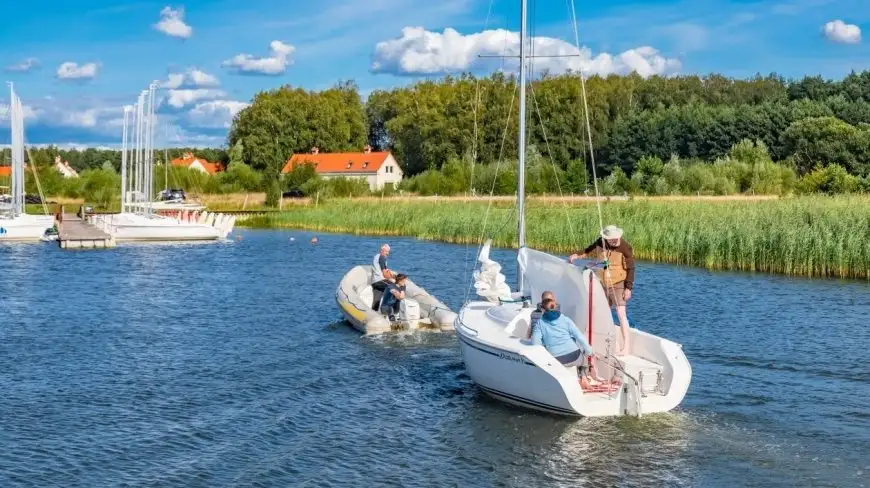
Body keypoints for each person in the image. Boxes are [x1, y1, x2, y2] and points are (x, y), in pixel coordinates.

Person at [568, 225, 634, 355]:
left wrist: (628, 288)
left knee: (621, 313)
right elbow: (588, 250)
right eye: (611, 239)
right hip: (603, 283)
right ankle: (612, 343)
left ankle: (626, 347)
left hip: (619, 282)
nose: (614, 241)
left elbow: (631, 268)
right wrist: (577, 255)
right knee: (603, 312)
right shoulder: (600, 242)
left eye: (615, 238)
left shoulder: (625, 247)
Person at [530, 297, 595, 387]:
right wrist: (590, 352)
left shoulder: (540, 323)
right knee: (584, 355)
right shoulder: (565, 319)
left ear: (543, 309)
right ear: (555, 307)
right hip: (575, 357)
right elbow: (579, 336)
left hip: (557, 360)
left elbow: (535, 343)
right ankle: (583, 376)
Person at [370, 244, 393, 310]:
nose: (387, 253)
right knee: (394, 287)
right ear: (382, 250)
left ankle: (374, 312)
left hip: (374, 281)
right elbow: (384, 274)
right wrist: (393, 279)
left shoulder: (376, 256)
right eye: (386, 251)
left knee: (376, 300)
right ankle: (390, 310)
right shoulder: (382, 257)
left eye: (388, 252)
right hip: (380, 280)